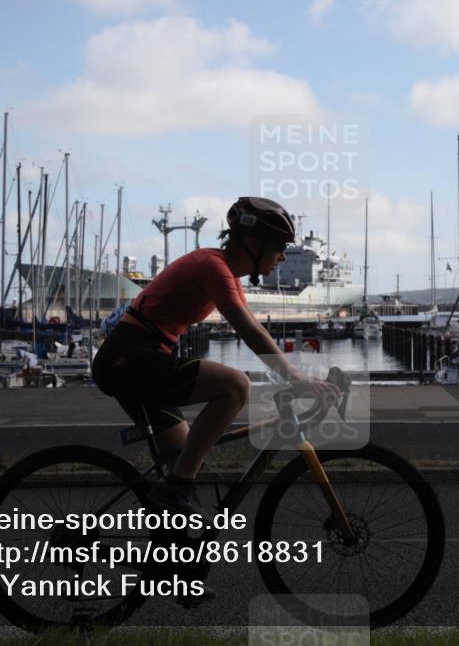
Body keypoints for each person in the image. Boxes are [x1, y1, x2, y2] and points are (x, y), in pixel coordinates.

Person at [91, 197, 340, 515]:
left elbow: (256, 331)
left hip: (140, 359)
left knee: (186, 460)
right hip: (129, 358)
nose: (281, 257)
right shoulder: (213, 267)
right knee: (236, 387)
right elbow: (250, 333)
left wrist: (297, 374)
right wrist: (298, 379)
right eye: (278, 246)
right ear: (253, 242)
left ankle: (167, 554)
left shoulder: (229, 277)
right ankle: (176, 488)